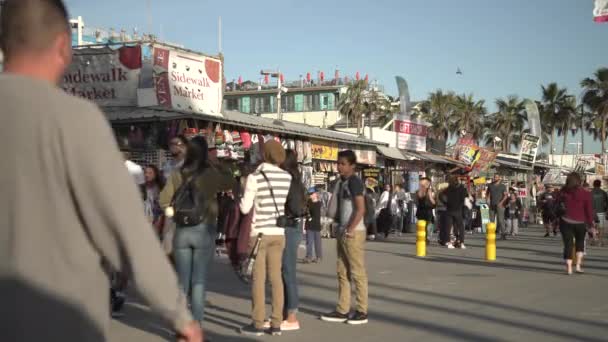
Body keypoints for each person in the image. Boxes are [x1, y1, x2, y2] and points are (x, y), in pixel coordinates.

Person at [0, 1, 202, 341]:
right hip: (60, 323)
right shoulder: (74, 120)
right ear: (63, 45)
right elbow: (125, 231)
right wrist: (180, 317)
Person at [159, 136, 235, 327]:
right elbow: (232, 183)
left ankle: (181, 326)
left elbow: (163, 200)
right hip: (205, 229)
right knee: (198, 281)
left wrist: (173, 213)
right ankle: (196, 328)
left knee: (183, 281)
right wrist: (219, 165)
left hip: (183, 230)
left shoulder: (178, 173)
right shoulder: (211, 173)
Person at [239, 141, 291, 336]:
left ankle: (258, 323)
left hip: (259, 233)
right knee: (276, 278)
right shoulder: (286, 177)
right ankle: (277, 323)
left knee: (258, 280)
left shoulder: (255, 177)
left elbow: (245, 208)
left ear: (265, 154)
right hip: (279, 233)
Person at [321, 150, 368, 325]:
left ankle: (362, 311)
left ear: (352, 165)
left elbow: (360, 208)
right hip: (342, 230)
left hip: (353, 232)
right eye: (338, 163)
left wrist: (350, 228)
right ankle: (342, 309)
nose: (339, 166)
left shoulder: (354, 182)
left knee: (357, 272)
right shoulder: (342, 182)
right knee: (342, 271)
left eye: (342, 163)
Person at [278, 149, 308, 332]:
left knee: (288, 272)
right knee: (283, 272)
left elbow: (296, 208)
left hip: (290, 227)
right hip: (291, 227)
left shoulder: (290, 181)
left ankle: (291, 316)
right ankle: (284, 313)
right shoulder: (294, 180)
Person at [557, 173, 595, 275]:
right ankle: (578, 266)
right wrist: (591, 225)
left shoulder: (563, 192)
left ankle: (569, 268)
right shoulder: (586, 193)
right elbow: (588, 211)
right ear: (579, 181)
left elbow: (557, 205)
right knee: (580, 243)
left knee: (568, 245)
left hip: (565, 221)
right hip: (580, 222)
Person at [444, 175, 468, 249]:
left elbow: (441, 196)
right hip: (458, 210)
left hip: (449, 209)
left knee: (448, 227)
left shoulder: (448, 188)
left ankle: (449, 242)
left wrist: (446, 203)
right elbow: (465, 198)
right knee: (460, 227)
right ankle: (461, 242)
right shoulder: (462, 188)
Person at [144, 165, 165, 236]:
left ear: (155, 175)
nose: (147, 175)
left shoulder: (159, 190)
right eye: (145, 173)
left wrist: (159, 223)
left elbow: (161, 210)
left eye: (150, 173)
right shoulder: (142, 187)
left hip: (154, 220)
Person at [487, 175, 508, 239]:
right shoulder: (490, 185)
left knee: (500, 220)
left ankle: (503, 234)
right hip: (492, 204)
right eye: (494, 177)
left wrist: (501, 203)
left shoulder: (502, 186)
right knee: (491, 220)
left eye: (496, 177)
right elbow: (487, 194)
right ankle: (491, 234)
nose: (495, 178)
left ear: (499, 178)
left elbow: (505, 196)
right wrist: (487, 201)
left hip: (500, 205)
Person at [415, 178, 435, 244]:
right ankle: (426, 239)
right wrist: (435, 202)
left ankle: (420, 238)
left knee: (421, 226)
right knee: (427, 226)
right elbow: (432, 201)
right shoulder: (428, 190)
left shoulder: (417, 191)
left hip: (420, 210)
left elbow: (416, 202)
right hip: (427, 211)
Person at [305, 188, 323, 263]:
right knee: (309, 242)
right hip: (309, 225)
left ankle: (319, 257)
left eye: (312, 194)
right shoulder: (308, 203)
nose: (310, 195)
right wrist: (307, 215)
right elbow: (305, 211)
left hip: (317, 225)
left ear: (315, 194)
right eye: (309, 194)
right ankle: (309, 257)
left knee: (317, 242)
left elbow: (320, 214)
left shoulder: (319, 203)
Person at [591, 180, 607, 246]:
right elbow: (606, 203)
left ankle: (594, 239)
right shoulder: (603, 193)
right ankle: (600, 241)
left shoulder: (590, 193)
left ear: (593, 184)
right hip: (601, 212)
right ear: (600, 184)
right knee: (601, 227)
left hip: (592, 212)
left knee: (593, 226)